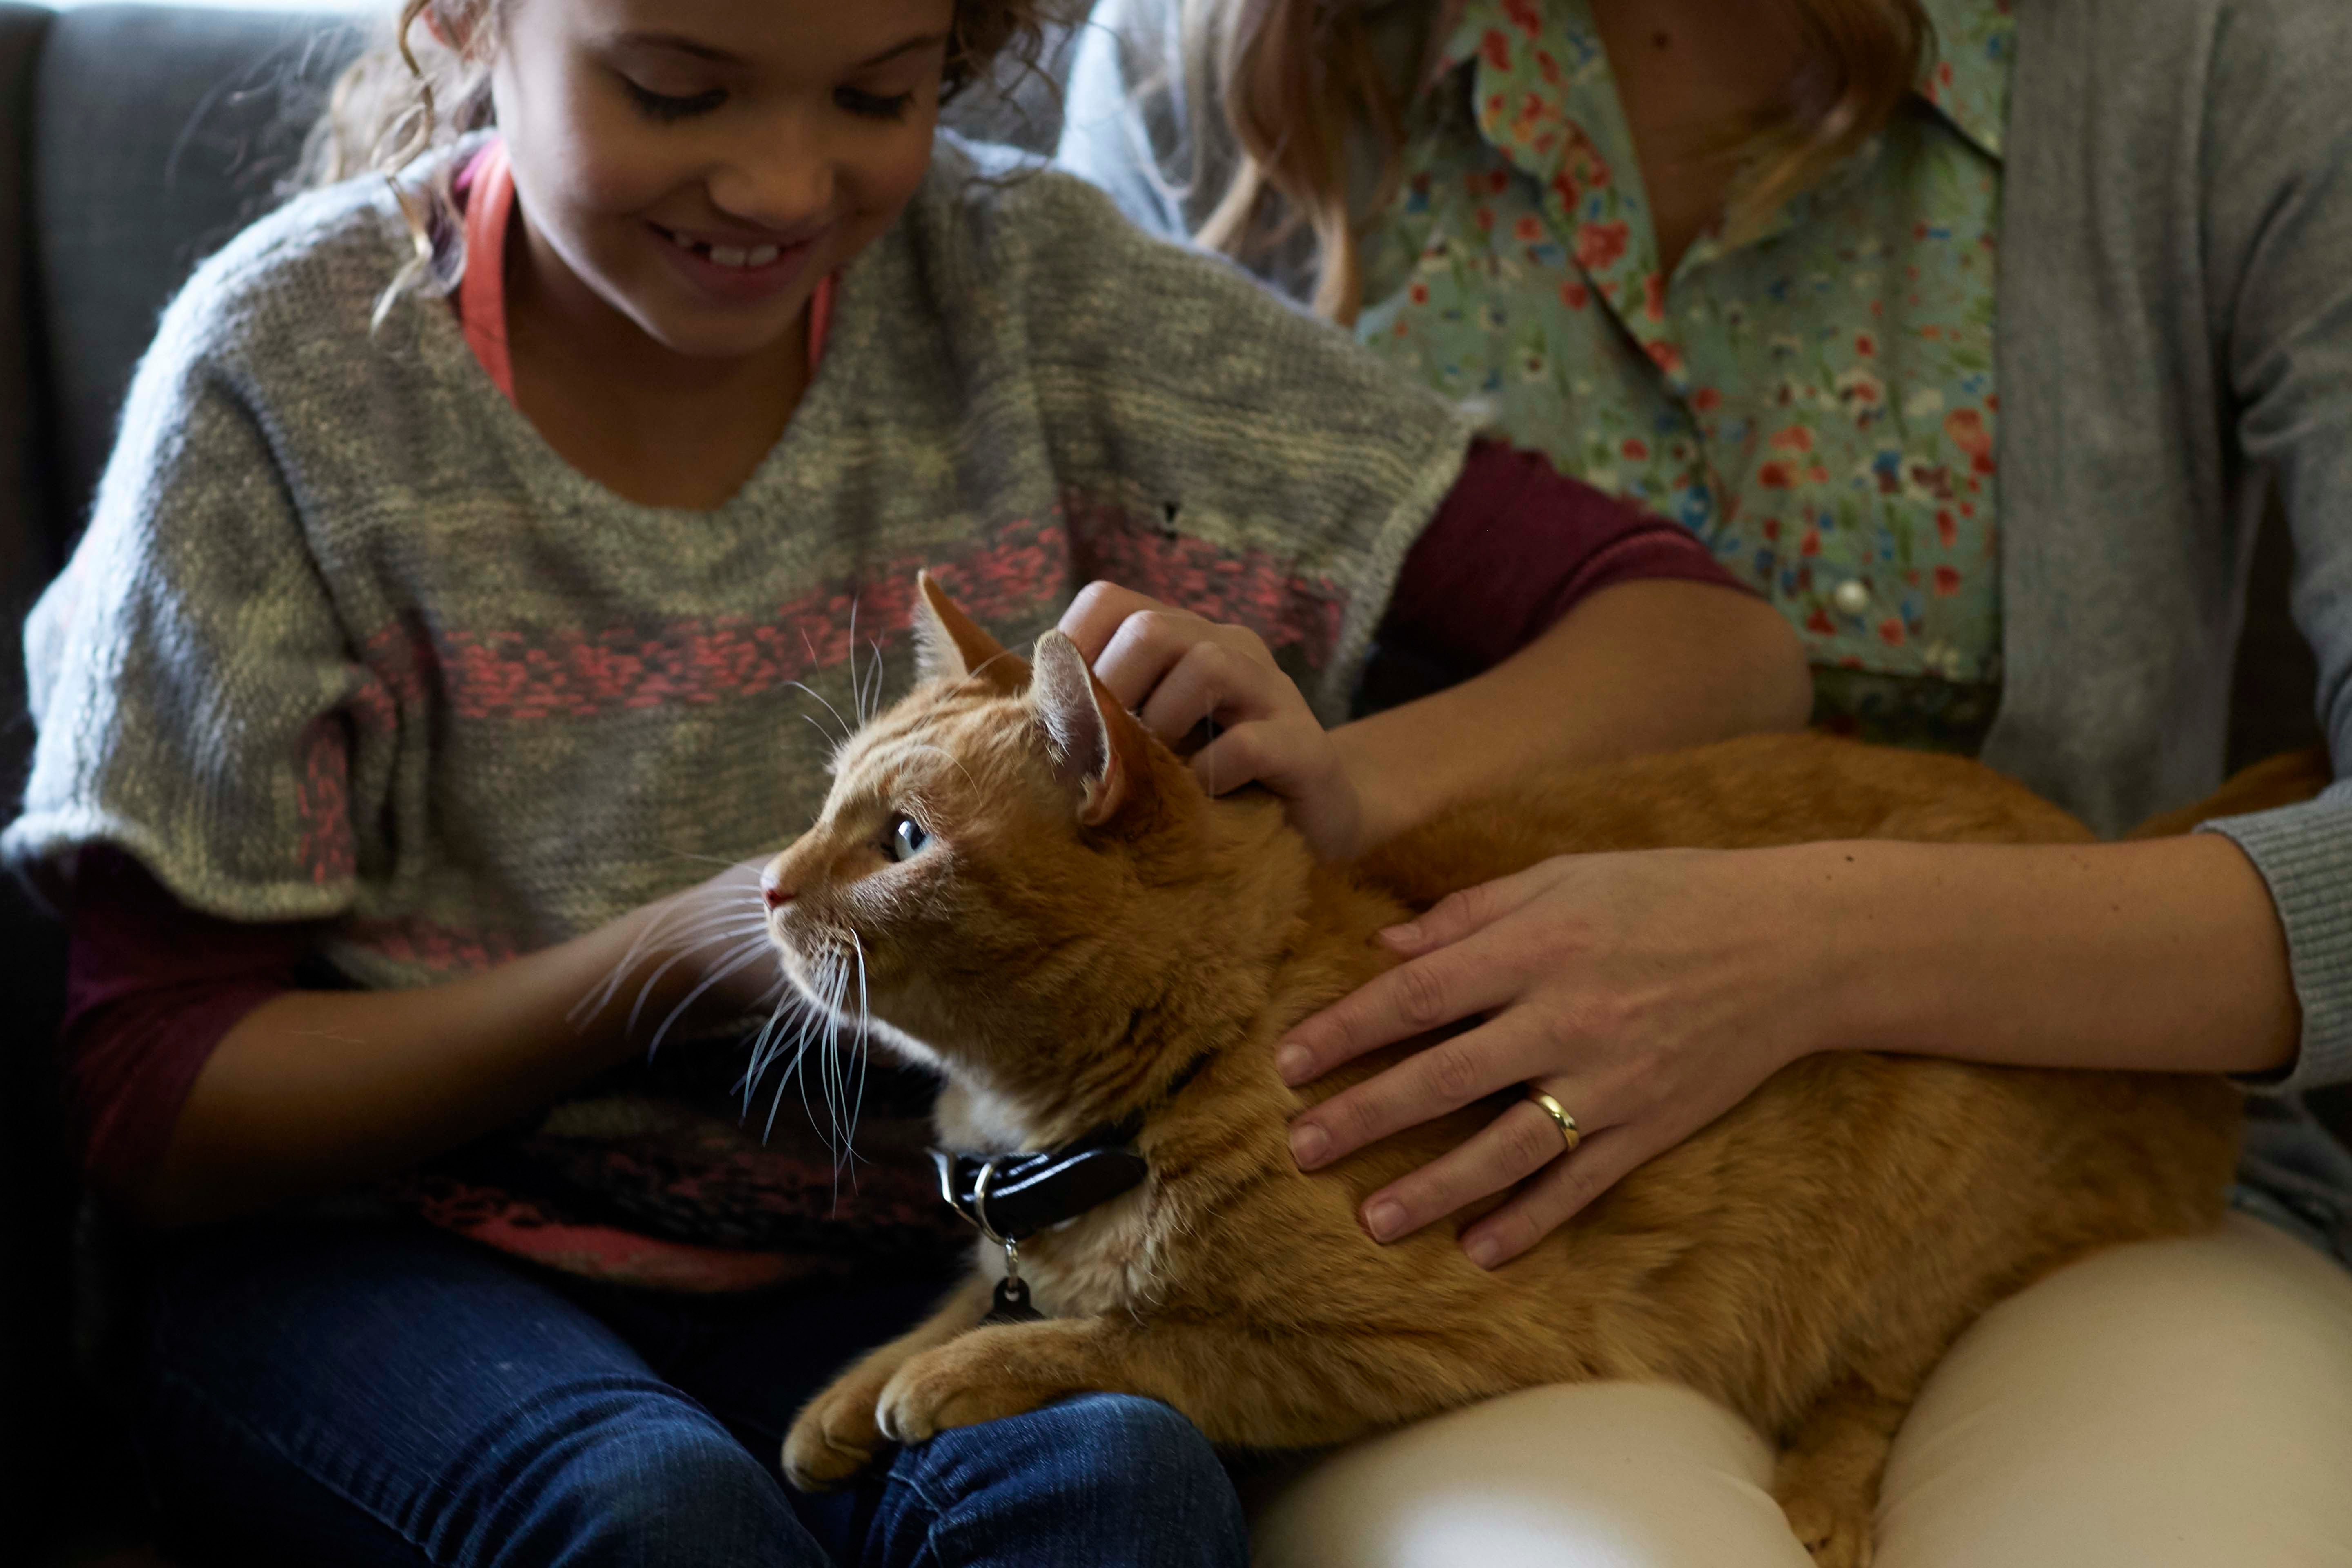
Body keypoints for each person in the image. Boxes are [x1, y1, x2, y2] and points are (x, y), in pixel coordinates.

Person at [3, 1, 1814, 1564]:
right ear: (471, 19)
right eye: (680, 89)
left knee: (1114, 1487)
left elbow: (1704, 642)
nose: (786, 187)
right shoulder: (285, 381)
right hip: (384, 1273)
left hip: (920, 1251)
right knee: (649, 1520)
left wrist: (1318, 782)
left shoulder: (1036, 290)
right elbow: (156, 1109)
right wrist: (666, 968)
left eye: (876, 95)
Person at [1060, 0, 2352, 1562]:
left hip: (2062, 1182)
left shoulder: (2223, 57)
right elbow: (1085, 814)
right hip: (1432, 1215)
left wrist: (1799, 950)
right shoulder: (1203, 66)